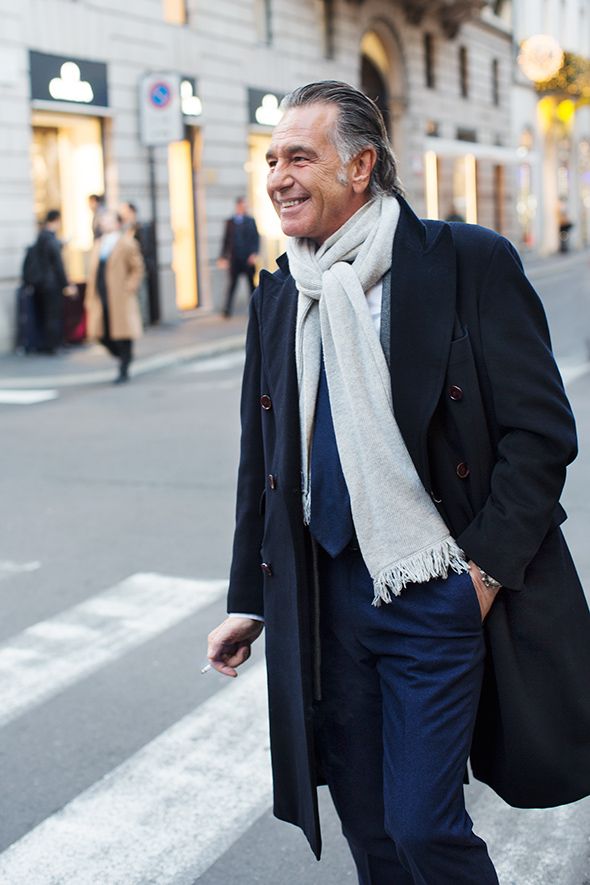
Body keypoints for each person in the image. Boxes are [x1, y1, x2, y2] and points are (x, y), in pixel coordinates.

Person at [207, 81, 590, 884]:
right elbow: (262, 461)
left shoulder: (466, 261)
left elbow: (541, 434)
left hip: (432, 589)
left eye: (299, 157)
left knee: (423, 828)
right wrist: (250, 599)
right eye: (271, 160)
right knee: (372, 833)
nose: (277, 176)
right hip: (324, 600)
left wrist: (480, 576)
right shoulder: (284, 291)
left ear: (361, 167)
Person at [85, 209, 144, 384]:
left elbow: (137, 268)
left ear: (117, 224)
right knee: (102, 334)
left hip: (120, 296)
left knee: (123, 334)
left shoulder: (127, 243)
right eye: (103, 220)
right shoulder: (99, 244)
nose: (104, 223)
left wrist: (129, 288)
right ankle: (124, 357)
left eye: (108, 220)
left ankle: (124, 367)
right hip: (101, 295)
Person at [28, 210, 76, 353]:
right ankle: (53, 345)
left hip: (41, 283)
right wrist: (66, 284)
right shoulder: (50, 239)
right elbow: (58, 265)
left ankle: (48, 344)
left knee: (47, 315)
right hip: (52, 284)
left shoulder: (41, 238)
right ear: (56, 220)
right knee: (54, 315)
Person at [217, 196, 260, 317]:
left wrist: (254, 253)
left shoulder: (251, 220)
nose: (244, 207)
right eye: (242, 205)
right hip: (234, 259)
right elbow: (225, 240)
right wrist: (223, 257)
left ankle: (255, 308)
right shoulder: (230, 222)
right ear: (237, 206)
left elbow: (256, 238)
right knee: (232, 285)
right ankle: (227, 309)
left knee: (251, 285)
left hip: (248, 259)